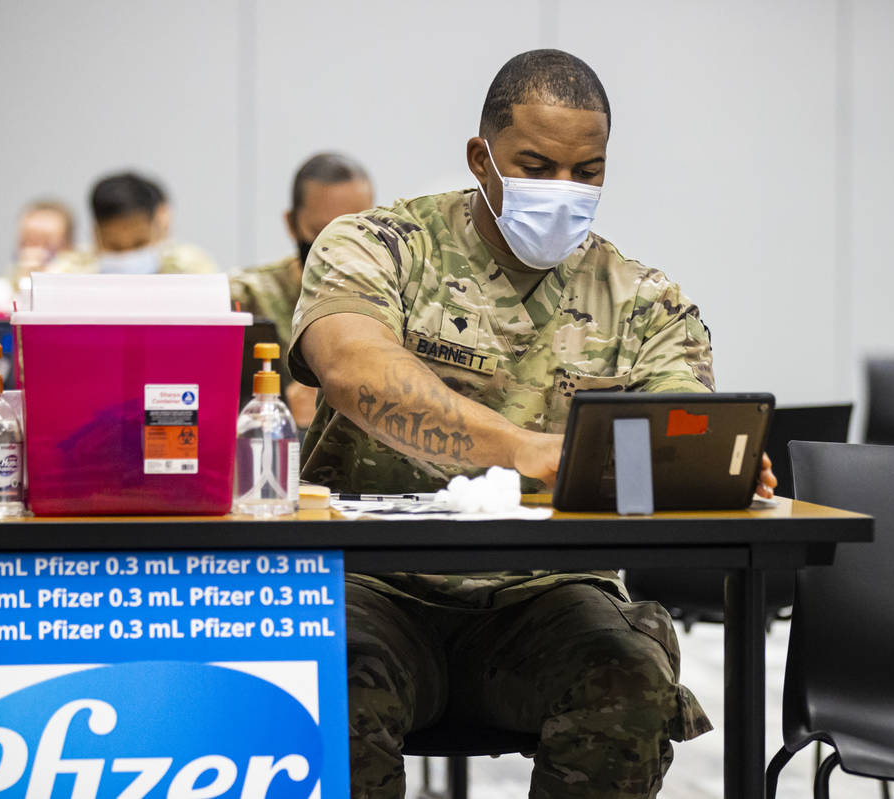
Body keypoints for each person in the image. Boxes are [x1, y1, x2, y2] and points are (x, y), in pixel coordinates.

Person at [288, 49, 776, 798]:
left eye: (587, 173)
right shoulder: (380, 246)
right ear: (482, 157)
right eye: (537, 164)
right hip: (375, 585)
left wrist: (711, 467)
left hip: (544, 594)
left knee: (630, 675)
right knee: (322, 675)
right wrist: (530, 451)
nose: (564, 191)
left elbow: (681, 422)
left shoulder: (642, 299)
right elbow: (353, 369)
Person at [230, 152, 373, 427]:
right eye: (321, 231)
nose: (337, 248)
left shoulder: (405, 298)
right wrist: (278, 409)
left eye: (355, 230)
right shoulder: (244, 298)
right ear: (291, 223)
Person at [49, 172, 218, 275]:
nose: (127, 255)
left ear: (157, 229)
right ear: (96, 233)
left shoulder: (191, 269)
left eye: (139, 243)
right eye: (115, 246)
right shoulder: (68, 274)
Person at [9, 199, 75, 289]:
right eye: (28, 242)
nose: (36, 252)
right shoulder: (8, 282)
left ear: (68, 245)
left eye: (47, 244)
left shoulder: (86, 273)